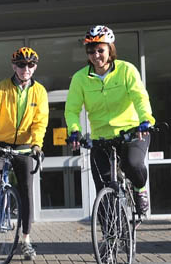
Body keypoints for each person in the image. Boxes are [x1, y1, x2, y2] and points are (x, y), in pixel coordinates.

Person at [65, 25, 156, 215]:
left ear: (110, 49)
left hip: (132, 132)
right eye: (91, 51)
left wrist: (145, 120)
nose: (96, 55)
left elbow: (140, 97)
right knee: (103, 192)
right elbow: (72, 109)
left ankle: (140, 189)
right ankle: (110, 240)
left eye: (100, 50)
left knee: (132, 164)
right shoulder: (79, 78)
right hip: (101, 138)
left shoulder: (126, 70)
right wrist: (74, 131)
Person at [0, 47, 49, 258]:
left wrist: (37, 145)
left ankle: (25, 239)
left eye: (30, 64)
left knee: (26, 191)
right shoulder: (1, 88)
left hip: (25, 146)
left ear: (35, 67)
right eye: (21, 64)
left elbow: (40, 122)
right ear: (13, 66)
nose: (26, 69)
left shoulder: (40, 92)